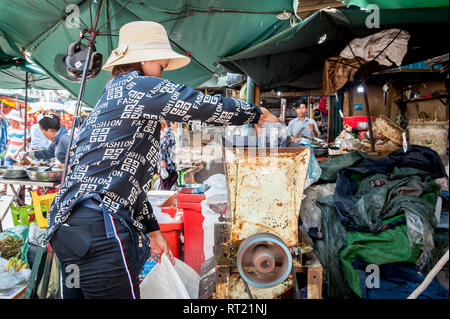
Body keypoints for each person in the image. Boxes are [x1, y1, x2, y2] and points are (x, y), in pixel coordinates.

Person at [45, 21, 280, 299]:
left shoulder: (113, 92)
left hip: (68, 229)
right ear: (145, 58)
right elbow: (196, 105)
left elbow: (129, 181)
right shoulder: (138, 85)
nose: (161, 75)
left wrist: (154, 232)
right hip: (100, 228)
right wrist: (256, 113)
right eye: (162, 67)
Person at [159, 121, 178, 190]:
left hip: (170, 161)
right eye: (176, 123)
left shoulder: (171, 133)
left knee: (174, 175)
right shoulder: (167, 133)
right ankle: (164, 196)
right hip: (166, 162)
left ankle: (166, 193)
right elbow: (161, 146)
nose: (177, 124)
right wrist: (162, 160)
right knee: (165, 180)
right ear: (171, 123)